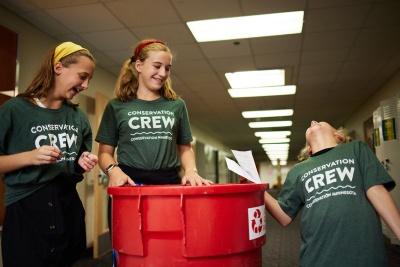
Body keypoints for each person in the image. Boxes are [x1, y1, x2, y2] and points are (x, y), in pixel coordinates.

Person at [95, 39, 213, 264]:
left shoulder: (176, 105)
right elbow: (104, 153)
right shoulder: (117, 106)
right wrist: (113, 171)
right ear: (139, 66)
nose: (163, 73)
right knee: (129, 251)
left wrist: (191, 170)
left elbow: (184, 147)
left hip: (167, 183)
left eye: (167, 68)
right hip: (128, 185)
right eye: (157, 66)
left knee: (167, 250)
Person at [0, 41, 98, 266]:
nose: (85, 85)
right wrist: (30, 157)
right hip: (26, 209)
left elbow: (73, 168)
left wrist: (80, 163)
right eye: (82, 76)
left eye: (89, 79)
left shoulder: (78, 117)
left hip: (67, 206)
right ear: (58, 68)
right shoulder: (15, 111)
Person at [264, 120, 400, 267]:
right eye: (310, 124)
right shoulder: (298, 170)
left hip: (364, 253)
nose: (313, 121)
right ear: (309, 148)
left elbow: (376, 191)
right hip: (318, 255)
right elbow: (284, 216)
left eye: (320, 121)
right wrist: (256, 190)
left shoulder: (356, 149)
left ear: (338, 136)